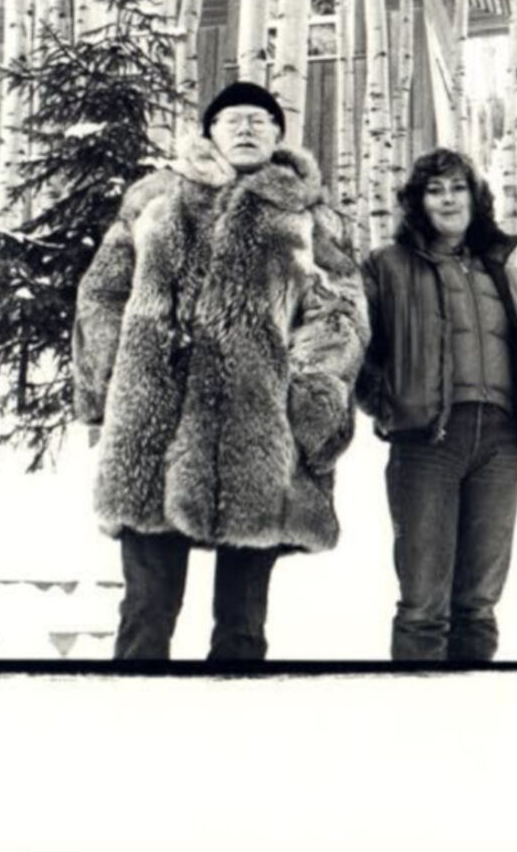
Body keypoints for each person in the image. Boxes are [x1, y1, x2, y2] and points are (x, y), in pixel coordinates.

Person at [73, 81, 369, 661]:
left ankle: (232, 734)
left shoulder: (310, 216)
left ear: (279, 135)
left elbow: (338, 310)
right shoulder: (155, 200)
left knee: (242, 626)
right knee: (145, 614)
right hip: (153, 429)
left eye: (260, 120)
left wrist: (313, 396)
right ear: (209, 131)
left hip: (259, 432)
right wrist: (105, 390)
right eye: (232, 118)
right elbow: (101, 293)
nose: (245, 128)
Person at [357, 148, 517, 662]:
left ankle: (472, 725)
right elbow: (356, 348)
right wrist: (389, 404)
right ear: (417, 203)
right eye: (434, 189)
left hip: (500, 443)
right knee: (424, 604)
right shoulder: (388, 267)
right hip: (426, 444)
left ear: (476, 196)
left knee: (478, 604)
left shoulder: (500, 269)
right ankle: (416, 726)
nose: (447, 199)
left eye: (457, 187)